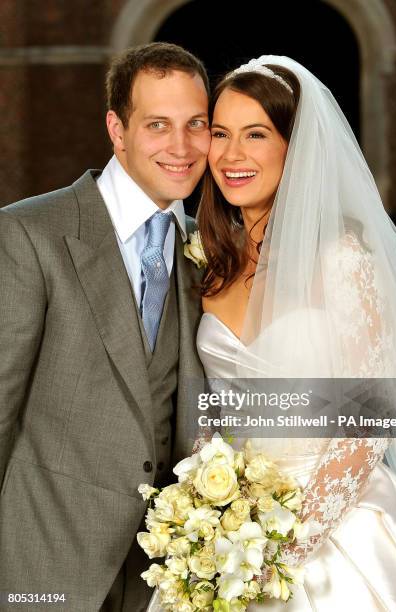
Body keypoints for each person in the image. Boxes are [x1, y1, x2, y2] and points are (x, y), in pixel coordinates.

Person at [194, 56, 396, 610]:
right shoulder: (209, 264)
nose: (233, 155)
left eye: (255, 135)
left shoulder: (343, 259)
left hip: (337, 528)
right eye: (221, 134)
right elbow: (214, 409)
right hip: (228, 533)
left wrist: (284, 548)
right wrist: (208, 516)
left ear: (294, 145)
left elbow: (367, 427)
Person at [0, 42, 210, 611]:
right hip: (44, 565)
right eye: (158, 125)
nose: (182, 147)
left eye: (196, 124)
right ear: (117, 129)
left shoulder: (207, 251)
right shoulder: (29, 234)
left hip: (164, 579)